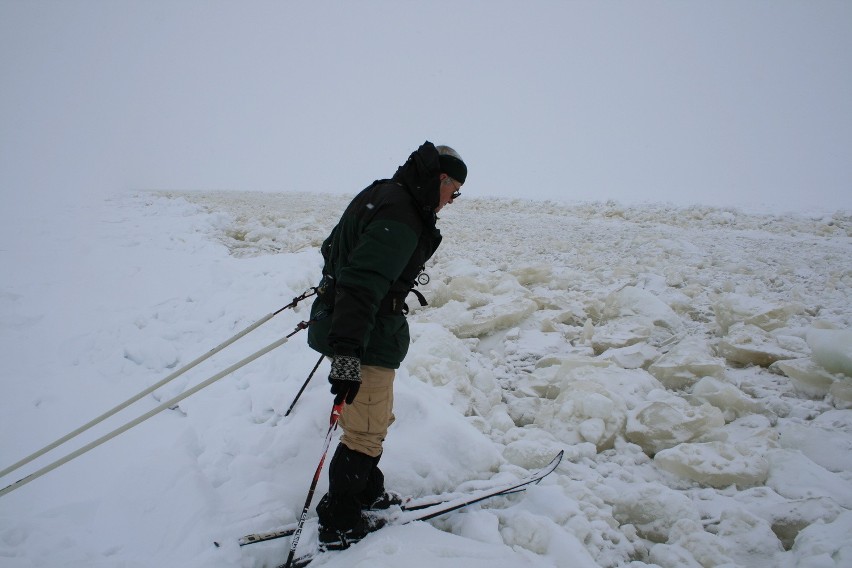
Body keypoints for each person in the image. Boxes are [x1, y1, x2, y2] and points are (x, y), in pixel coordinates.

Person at [306, 141, 467, 550]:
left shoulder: (383, 192)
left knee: (373, 420)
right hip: (366, 337)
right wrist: (347, 356)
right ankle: (339, 523)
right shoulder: (402, 213)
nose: (453, 200)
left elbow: (334, 249)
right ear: (440, 179)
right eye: (455, 190)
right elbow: (361, 285)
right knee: (364, 433)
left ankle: (365, 493)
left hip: (361, 329)